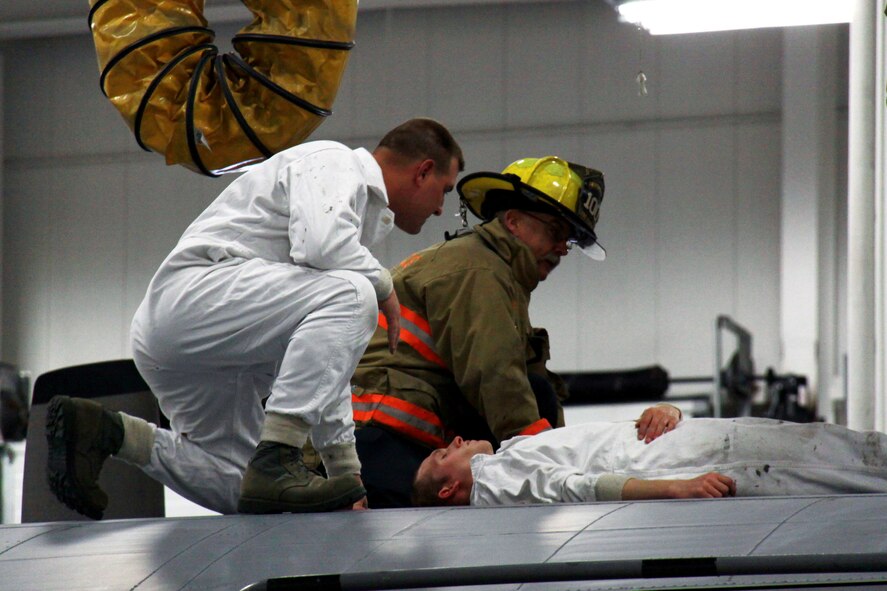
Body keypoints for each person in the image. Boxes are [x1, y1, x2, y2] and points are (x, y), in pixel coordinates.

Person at [45, 118, 464, 519]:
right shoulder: (333, 162)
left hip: (197, 343)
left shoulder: (347, 241)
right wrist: (383, 285)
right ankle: (278, 456)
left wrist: (347, 478)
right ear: (422, 171)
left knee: (248, 492)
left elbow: (327, 367)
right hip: (195, 301)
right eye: (444, 190)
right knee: (356, 293)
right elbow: (321, 247)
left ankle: (110, 432)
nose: (442, 209)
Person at [350, 156, 656, 508]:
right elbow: (495, 376)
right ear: (513, 221)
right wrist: (556, 468)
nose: (561, 249)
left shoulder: (492, 273)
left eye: (569, 241)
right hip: (382, 437)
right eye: (556, 232)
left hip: (404, 434)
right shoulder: (479, 271)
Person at [413, 413, 887, 507]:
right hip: (676, 464)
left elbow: (597, 445)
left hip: (681, 445)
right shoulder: (493, 483)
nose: (453, 441)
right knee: (840, 465)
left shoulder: (510, 452)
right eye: (441, 455)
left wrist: (669, 414)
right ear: (449, 488)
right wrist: (676, 487)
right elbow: (577, 486)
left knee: (831, 444)